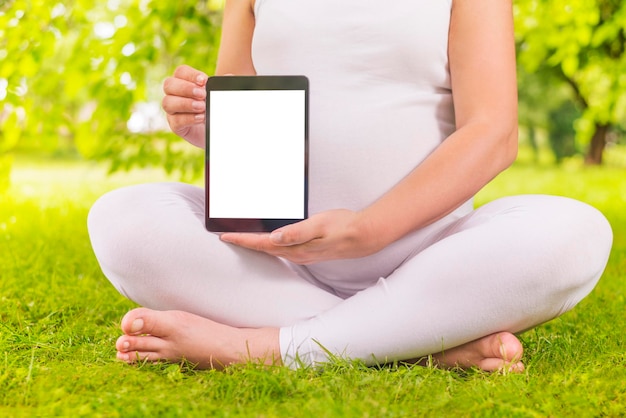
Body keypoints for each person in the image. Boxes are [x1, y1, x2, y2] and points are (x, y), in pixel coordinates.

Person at [88, 0, 613, 372]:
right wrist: (203, 122)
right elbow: (248, 114)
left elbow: (493, 133)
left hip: (433, 260)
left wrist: (369, 229)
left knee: (578, 234)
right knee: (121, 219)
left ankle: (259, 347)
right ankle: (414, 343)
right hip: (278, 262)